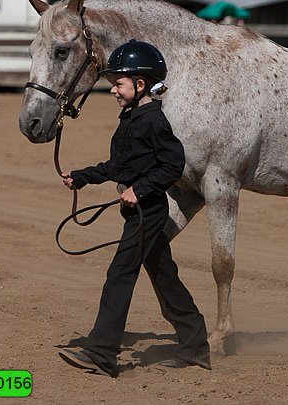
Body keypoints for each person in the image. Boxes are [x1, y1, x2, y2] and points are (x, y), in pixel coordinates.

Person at [57, 39, 211, 377]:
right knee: (164, 276)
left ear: (140, 85)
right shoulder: (130, 118)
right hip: (140, 209)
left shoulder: (154, 121)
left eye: (119, 83)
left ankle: (101, 353)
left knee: (120, 274)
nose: (113, 89)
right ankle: (195, 346)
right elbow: (118, 166)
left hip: (149, 210)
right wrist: (83, 177)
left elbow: (173, 165)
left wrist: (140, 190)